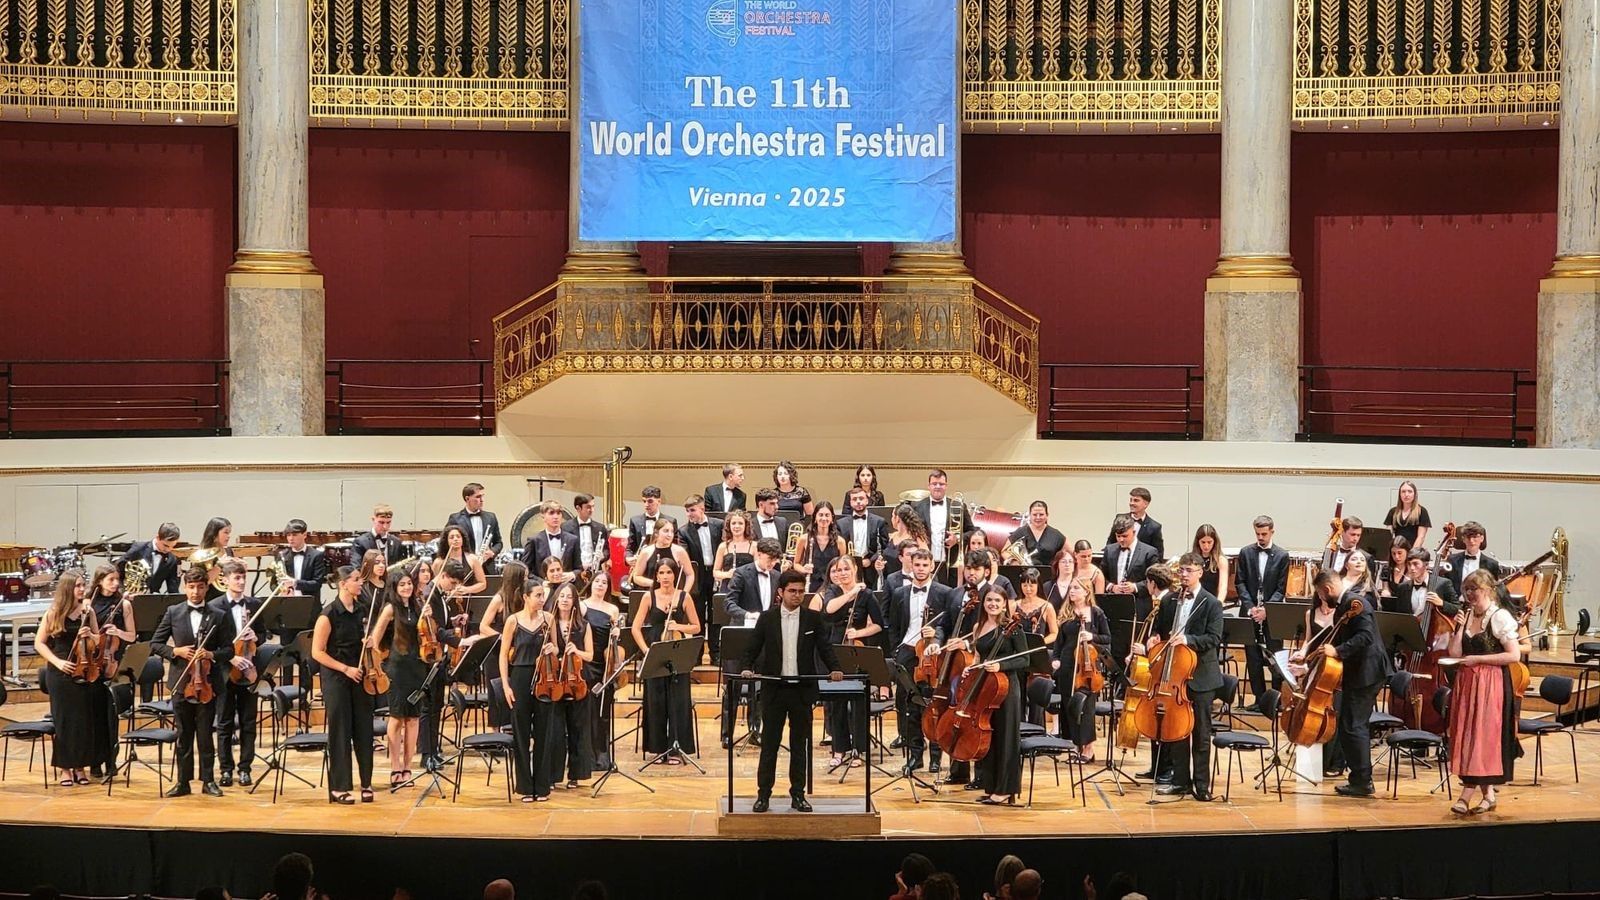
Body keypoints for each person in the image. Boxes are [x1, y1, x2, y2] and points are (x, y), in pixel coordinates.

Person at [739, 569, 844, 812]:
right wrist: (746, 667)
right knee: (770, 745)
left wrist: (835, 669)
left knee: (800, 745)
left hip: (801, 691)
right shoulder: (767, 618)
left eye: (800, 591)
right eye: (792, 591)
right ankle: (763, 794)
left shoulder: (812, 619)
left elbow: (825, 649)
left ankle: (798, 794)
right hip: (774, 690)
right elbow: (752, 648)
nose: (797, 596)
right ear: (781, 592)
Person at [1295, 571, 1393, 797]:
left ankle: (1362, 781)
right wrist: (1308, 656)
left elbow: (1365, 637)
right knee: (1349, 725)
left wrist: (1338, 651)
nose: (1321, 598)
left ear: (1327, 589)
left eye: (1320, 593)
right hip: (1358, 673)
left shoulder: (1357, 603)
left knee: (1353, 726)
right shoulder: (1345, 605)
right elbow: (1336, 637)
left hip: (1367, 674)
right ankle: (1358, 778)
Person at [1139, 552, 1223, 801]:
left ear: (1200, 572)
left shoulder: (1211, 603)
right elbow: (1160, 630)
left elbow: (1213, 639)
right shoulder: (1169, 601)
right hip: (1173, 674)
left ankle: (1202, 785)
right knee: (1176, 731)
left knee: (1200, 733)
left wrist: (1188, 639)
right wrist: (1155, 637)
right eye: (1182, 570)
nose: (1184, 575)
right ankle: (1180, 782)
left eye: (1188, 570)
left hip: (1200, 676)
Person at [152, 567, 235, 797]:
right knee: (183, 734)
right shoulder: (173, 612)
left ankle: (208, 780)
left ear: (206, 588)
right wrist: (176, 651)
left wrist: (210, 655)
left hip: (208, 683)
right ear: (184, 588)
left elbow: (228, 650)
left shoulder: (218, 615)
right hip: (182, 681)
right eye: (191, 587)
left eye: (200, 587)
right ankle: (182, 782)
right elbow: (156, 644)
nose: (196, 592)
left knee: (206, 734)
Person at [1446, 569, 1523, 814]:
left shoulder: (1499, 617)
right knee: (1469, 734)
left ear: (1488, 590)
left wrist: (1479, 659)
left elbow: (1514, 655)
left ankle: (1465, 795)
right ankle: (1488, 795)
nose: (1469, 594)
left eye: (1474, 589)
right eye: (1466, 590)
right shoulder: (1467, 615)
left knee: (1483, 737)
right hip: (1468, 683)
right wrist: (1457, 629)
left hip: (1491, 684)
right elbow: (1455, 654)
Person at [885, 548, 959, 774]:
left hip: (932, 655)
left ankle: (935, 758)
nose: (920, 569)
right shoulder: (900, 593)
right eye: (917, 565)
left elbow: (947, 626)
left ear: (931, 566)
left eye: (925, 565)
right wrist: (897, 651)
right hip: (907, 651)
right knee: (910, 706)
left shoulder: (944, 593)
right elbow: (895, 627)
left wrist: (936, 637)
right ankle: (915, 755)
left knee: (933, 705)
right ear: (911, 565)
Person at [33, 570, 109, 786]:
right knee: (65, 721)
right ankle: (65, 769)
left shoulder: (88, 611)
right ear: (67, 588)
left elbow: (98, 641)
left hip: (83, 670)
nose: (82, 589)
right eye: (78, 585)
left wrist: (91, 636)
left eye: (83, 585)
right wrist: (57, 663)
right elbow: (39, 643)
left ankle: (80, 767)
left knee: (83, 721)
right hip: (60, 672)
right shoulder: (54, 613)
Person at [312, 566, 375, 804]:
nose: (361, 583)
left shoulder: (362, 610)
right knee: (340, 732)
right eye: (357, 580)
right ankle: (339, 787)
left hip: (359, 675)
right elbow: (318, 653)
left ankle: (366, 783)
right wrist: (345, 669)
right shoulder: (328, 615)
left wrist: (369, 643)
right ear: (343, 584)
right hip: (337, 677)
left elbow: (367, 643)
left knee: (364, 729)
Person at [813, 555, 881, 767]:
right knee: (836, 703)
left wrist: (859, 632)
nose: (842, 573)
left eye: (846, 569)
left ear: (855, 570)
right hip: (832, 651)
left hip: (855, 651)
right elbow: (829, 609)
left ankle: (859, 750)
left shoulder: (867, 595)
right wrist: (851, 592)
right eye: (839, 570)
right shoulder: (832, 591)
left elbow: (878, 625)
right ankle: (839, 749)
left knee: (858, 702)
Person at [631, 558, 701, 759]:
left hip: (677, 653)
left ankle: (677, 747)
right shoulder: (648, 597)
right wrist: (646, 651)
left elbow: (696, 627)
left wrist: (678, 627)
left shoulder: (684, 597)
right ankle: (658, 748)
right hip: (655, 653)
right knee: (656, 701)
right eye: (661, 573)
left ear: (674, 574)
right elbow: (636, 628)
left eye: (669, 573)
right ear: (656, 576)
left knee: (678, 701)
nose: (665, 577)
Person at [968, 586, 1029, 805]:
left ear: (1005, 604)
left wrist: (1001, 664)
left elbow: (1024, 660)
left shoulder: (1012, 628)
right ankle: (992, 786)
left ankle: (1006, 789)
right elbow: (978, 656)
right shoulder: (978, 626)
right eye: (989, 600)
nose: (993, 604)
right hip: (985, 688)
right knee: (990, 738)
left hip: (1006, 688)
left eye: (997, 600)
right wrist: (971, 667)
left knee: (1006, 738)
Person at [367, 566, 427, 787]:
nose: (407, 587)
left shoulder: (418, 606)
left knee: (412, 719)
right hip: (397, 668)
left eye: (409, 583)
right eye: (401, 584)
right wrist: (375, 665)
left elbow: (428, 633)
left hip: (417, 667)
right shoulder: (391, 609)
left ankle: (408, 767)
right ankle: (395, 767)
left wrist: (429, 618)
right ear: (394, 587)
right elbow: (375, 638)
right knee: (396, 717)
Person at [210, 559, 267, 788]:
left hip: (249, 670)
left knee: (248, 722)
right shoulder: (215, 606)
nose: (241, 581)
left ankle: (245, 768)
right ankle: (225, 769)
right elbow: (211, 642)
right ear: (224, 579)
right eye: (237, 577)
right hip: (225, 672)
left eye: (243, 577)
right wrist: (230, 656)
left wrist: (256, 638)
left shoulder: (255, 604)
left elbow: (263, 634)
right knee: (224, 723)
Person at [500, 572, 555, 802]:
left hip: (543, 676)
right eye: (538, 595)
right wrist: (506, 685)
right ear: (526, 597)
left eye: (543, 595)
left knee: (544, 732)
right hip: (520, 677)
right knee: (521, 733)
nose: (542, 599)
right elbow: (503, 656)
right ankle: (524, 785)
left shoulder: (548, 619)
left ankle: (541, 786)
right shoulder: (513, 620)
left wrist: (553, 649)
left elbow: (556, 650)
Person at [542, 582, 596, 790]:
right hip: (554, 681)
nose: (564, 600)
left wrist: (576, 651)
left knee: (578, 728)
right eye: (561, 596)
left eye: (569, 597)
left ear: (575, 601)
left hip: (577, 682)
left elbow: (590, 655)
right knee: (555, 730)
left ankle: (577, 774)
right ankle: (554, 775)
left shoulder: (583, 626)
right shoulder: (548, 624)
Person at [1236, 515, 1289, 710]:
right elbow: (1240, 582)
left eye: (1264, 534)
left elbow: (1281, 588)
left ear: (1272, 532)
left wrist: (1267, 609)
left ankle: (1275, 700)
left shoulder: (1282, 555)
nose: (1261, 537)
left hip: (1272, 613)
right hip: (1251, 611)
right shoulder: (1246, 552)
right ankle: (1259, 699)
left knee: (1275, 655)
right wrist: (1251, 608)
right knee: (1253, 656)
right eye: (1258, 534)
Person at [86, 563, 135, 771]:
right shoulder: (88, 603)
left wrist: (118, 633)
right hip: (92, 664)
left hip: (115, 664)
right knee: (95, 715)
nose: (115, 584)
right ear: (99, 582)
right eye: (110, 580)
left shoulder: (124, 605)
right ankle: (95, 762)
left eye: (117, 580)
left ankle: (111, 761)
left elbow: (132, 636)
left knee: (112, 715)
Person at [1054, 582, 1109, 760]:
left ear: (1087, 592)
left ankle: (1089, 749)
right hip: (1068, 666)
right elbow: (1058, 643)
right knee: (1070, 707)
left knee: (1086, 708)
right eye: (1071, 589)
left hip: (1087, 668)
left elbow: (1107, 638)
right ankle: (1077, 747)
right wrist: (1055, 659)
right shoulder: (1066, 614)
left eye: (1076, 588)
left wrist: (1092, 636)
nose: (1072, 592)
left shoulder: (1096, 613)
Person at [581, 572, 624, 771]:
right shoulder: (582, 606)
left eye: (604, 582)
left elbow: (616, 639)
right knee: (588, 711)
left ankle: (603, 757)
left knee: (604, 711)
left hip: (606, 663)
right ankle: (588, 757)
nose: (600, 585)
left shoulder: (613, 609)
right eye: (597, 581)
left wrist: (617, 633)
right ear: (591, 584)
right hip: (588, 663)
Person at [680, 494, 724, 658]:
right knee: (697, 614)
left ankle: (715, 653)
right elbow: (684, 555)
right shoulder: (684, 531)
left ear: (702, 509)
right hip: (697, 576)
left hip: (715, 573)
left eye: (692, 510)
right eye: (687, 511)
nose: (689, 514)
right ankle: (697, 654)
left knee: (715, 614)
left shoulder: (718, 525)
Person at [1014, 568, 1059, 727]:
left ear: (1038, 586)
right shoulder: (1014, 605)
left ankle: (1037, 730)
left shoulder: (1046, 607)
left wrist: (1040, 643)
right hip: (1018, 654)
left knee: (1036, 699)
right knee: (1017, 694)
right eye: (1025, 585)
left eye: (1032, 585)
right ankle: (1018, 730)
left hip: (1037, 655)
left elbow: (1054, 633)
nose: (1028, 589)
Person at [914, 469, 971, 579]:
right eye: (934, 484)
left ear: (946, 486)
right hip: (925, 563)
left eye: (941, 484)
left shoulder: (958, 506)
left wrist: (957, 538)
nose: (938, 486)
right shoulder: (918, 507)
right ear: (928, 486)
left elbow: (972, 530)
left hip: (950, 563)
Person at [1101, 515, 1160, 618]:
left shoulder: (1149, 552)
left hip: (1139, 605)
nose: (1121, 540)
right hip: (1113, 605)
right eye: (1118, 536)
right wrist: (1112, 587)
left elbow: (1155, 579)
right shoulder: (1109, 550)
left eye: (1125, 536)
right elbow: (1101, 576)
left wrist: (1135, 587)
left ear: (1134, 532)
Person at [1382, 548, 1460, 618]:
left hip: (1434, 631)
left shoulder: (1444, 583)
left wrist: (1441, 603)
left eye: (1415, 564)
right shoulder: (1402, 587)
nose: (1412, 568)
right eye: (1409, 564)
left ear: (1426, 565)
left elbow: (1457, 608)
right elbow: (1400, 615)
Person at [628, 518, 697, 595]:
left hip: (673, 596)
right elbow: (636, 577)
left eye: (672, 531)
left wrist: (684, 594)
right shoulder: (646, 552)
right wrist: (654, 583)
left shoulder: (679, 551)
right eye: (666, 531)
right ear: (656, 533)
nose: (670, 535)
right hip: (652, 596)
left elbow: (690, 574)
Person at [445, 482, 503, 572]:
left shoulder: (491, 517)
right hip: (464, 566)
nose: (482, 500)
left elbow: (498, 542)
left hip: (487, 566)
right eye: (478, 497)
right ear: (467, 499)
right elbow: (445, 542)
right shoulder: (455, 519)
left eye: (482, 496)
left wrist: (492, 552)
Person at [842, 486, 891, 588]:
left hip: (871, 569)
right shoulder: (841, 524)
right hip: (849, 569)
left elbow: (884, 547)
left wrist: (871, 560)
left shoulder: (879, 521)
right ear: (850, 503)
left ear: (867, 500)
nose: (858, 502)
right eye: (854, 499)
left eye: (861, 498)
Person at [523, 501, 582, 582]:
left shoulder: (573, 540)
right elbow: (526, 570)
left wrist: (572, 575)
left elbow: (579, 568)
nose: (556, 517)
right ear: (543, 517)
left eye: (558, 513)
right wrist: (542, 582)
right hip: (543, 589)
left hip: (566, 588)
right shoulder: (534, 540)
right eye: (551, 513)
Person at [117, 521, 181, 595]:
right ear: (157, 537)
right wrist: (123, 591)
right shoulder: (139, 548)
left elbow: (173, 589)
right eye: (165, 545)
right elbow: (118, 569)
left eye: (172, 546)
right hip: (129, 595)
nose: (168, 549)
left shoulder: (171, 559)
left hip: (151, 600)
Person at [796, 500, 847, 593]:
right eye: (821, 515)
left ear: (832, 519)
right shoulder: (804, 539)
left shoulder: (840, 541)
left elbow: (843, 566)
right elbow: (796, 564)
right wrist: (804, 569)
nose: (824, 518)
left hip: (833, 585)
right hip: (810, 583)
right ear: (815, 517)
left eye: (827, 515)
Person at [1446, 521, 1504, 595]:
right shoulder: (1452, 560)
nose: (1471, 541)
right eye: (1468, 537)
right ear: (1463, 539)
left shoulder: (1492, 564)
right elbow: (1448, 588)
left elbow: (1493, 592)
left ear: (1482, 538)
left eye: (1475, 537)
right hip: (1457, 604)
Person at [561, 494, 611, 573]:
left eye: (593, 506)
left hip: (595, 572)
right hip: (574, 572)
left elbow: (606, 550)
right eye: (588, 507)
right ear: (578, 508)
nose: (592, 510)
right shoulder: (565, 528)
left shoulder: (600, 528)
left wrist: (602, 556)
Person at [1107, 487, 1163, 557]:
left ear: (1146, 504)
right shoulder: (1119, 518)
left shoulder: (1154, 527)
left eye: (1136, 500)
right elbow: (1110, 543)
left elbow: (1158, 554)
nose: (1131, 503)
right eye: (1131, 500)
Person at [279, 519, 326, 600]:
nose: (291, 538)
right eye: (288, 535)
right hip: (287, 603)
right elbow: (275, 581)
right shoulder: (282, 555)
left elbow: (317, 583)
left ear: (304, 535)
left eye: (294, 535)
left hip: (310, 604)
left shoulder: (316, 555)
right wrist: (282, 590)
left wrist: (295, 583)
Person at [1007, 501, 1065, 567]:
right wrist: (1013, 561)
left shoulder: (1056, 535)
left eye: (1041, 514)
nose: (1038, 517)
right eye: (1034, 515)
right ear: (1030, 515)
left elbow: (1069, 553)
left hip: (1048, 575)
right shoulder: (1021, 531)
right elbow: (1005, 551)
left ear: (1047, 515)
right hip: (1024, 573)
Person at [434, 524, 488, 594]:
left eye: (458, 536)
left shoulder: (473, 559)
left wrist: (467, 589)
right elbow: (435, 585)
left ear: (463, 539)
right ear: (446, 541)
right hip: (445, 600)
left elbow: (483, 584)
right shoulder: (439, 562)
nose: (455, 539)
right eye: (451, 537)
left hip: (468, 600)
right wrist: (448, 592)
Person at [480, 561, 529, 637]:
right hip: (502, 641)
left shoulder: (526, 595)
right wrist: (503, 638)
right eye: (525, 576)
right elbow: (483, 626)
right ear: (516, 579)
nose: (527, 579)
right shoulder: (499, 599)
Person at [712, 509, 757, 592]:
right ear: (729, 526)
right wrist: (728, 574)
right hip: (728, 588)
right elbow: (715, 572)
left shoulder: (754, 546)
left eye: (740, 523)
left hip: (748, 588)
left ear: (746, 526)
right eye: (733, 523)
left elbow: (758, 570)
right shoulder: (723, 546)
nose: (737, 526)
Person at [626, 486, 677, 557]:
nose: (646, 504)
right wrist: (628, 558)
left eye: (650, 501)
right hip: (641, 562)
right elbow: (630, 547)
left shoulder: (670, 521)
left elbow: (674, 546)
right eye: (644, 501)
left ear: (659, 502)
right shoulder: (635, 521)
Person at [1383, 480, 1432, 548]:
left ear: (1415, 494)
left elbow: (1421, 537)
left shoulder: (1422, 511)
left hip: (1413, 551)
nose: (1406, 494)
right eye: (1403, 491)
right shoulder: (1393, 511)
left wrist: (1412, 553)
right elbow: (1388, 535)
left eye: (1410, 491)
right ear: (1400, 494)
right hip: (1397, 551)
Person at [1191, 524, 1229, 600]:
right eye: (1203, 542)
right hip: (1194, 600)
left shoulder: (1220, 560)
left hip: (1212, 601)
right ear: (1198, 542)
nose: (1206, 546)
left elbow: (1222, 587)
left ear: (1214, 542)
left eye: (1209, 542)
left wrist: (1219, 604)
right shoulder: (1192, 559)